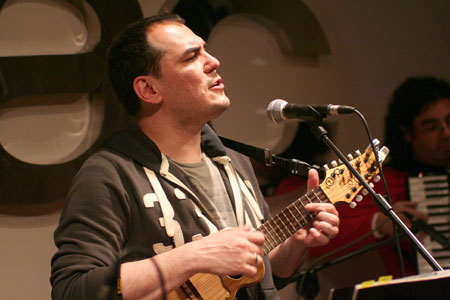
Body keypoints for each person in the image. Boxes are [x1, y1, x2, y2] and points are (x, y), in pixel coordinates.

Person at [50, 13, 339, 300]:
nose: (213, 62)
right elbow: (74, 289)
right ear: (149, 89)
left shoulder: (233, 161)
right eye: (191, 57)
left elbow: (256, 279)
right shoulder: (108, 173)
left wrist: (296, 244)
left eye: (205, 50)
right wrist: (194, 256)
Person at [308, 76, 450, 278]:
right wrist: (377, 223)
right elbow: (316, 241)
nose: (446, 133)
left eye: (449, 122)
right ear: (407, 133)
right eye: (431, 126)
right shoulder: (385, 182)